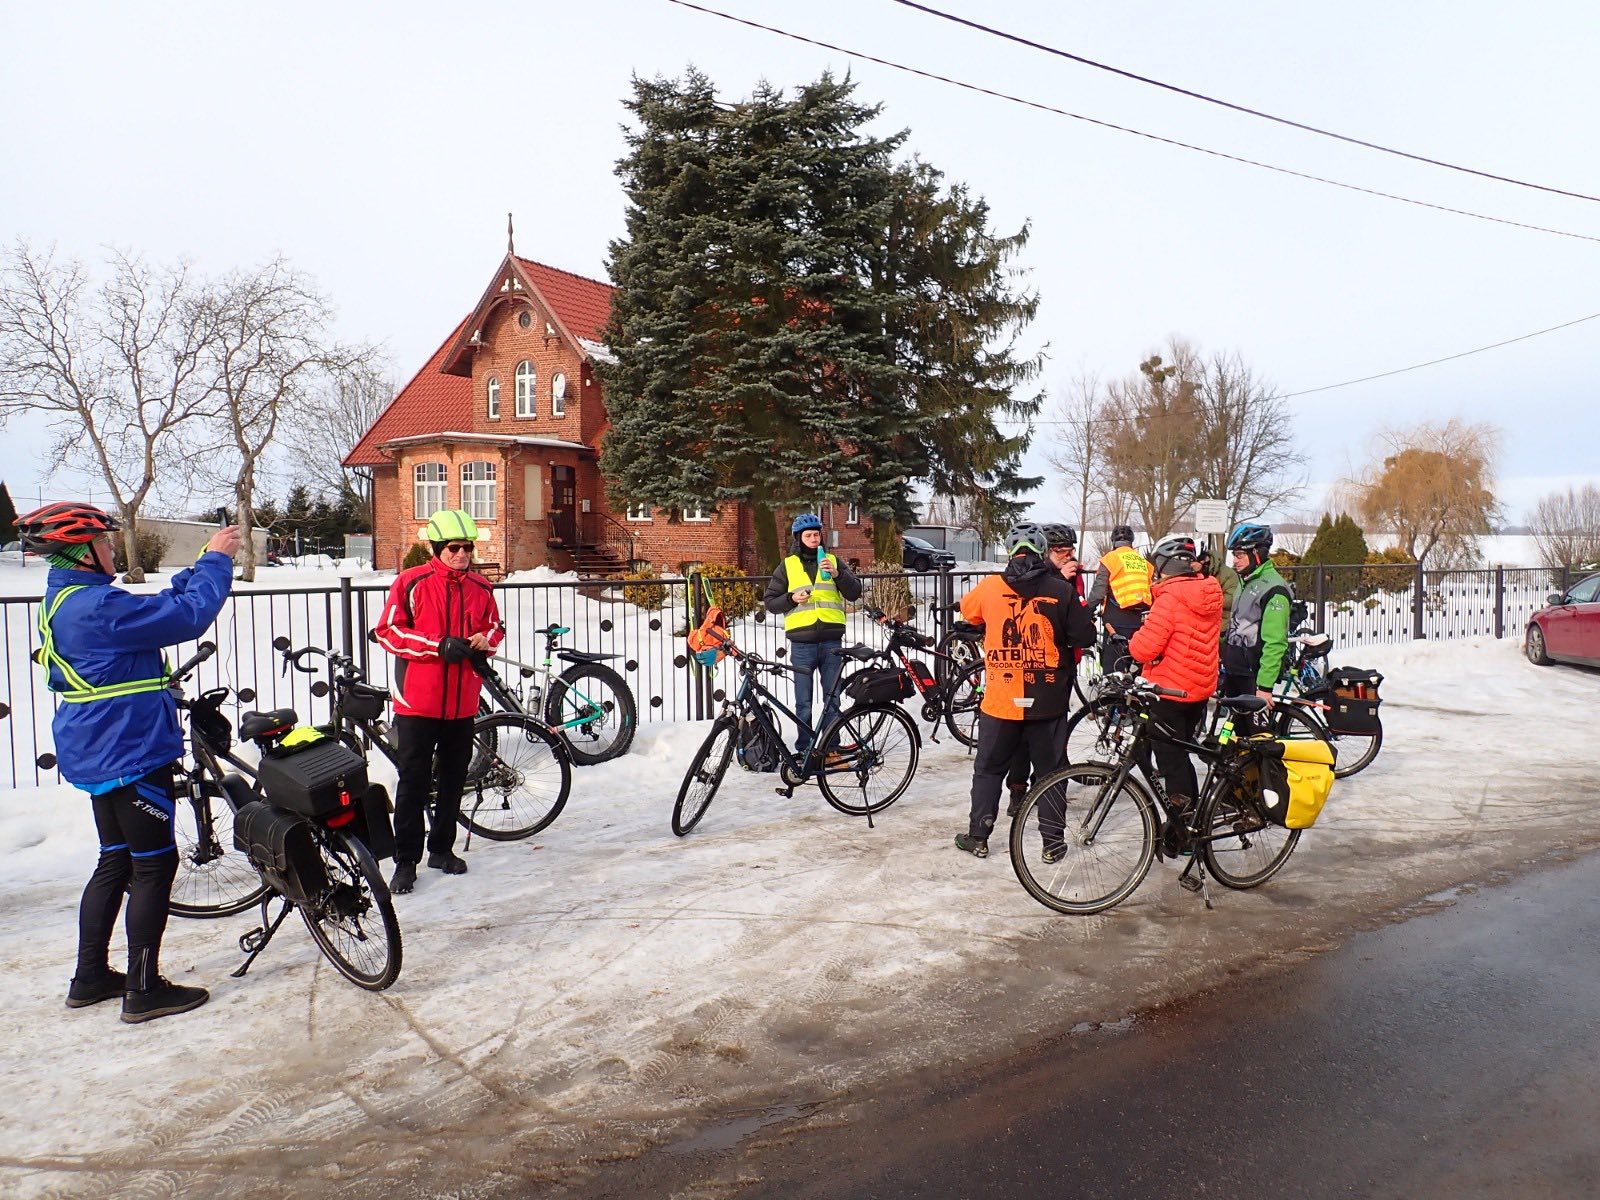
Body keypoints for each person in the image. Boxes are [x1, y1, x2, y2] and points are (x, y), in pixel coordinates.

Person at [21, 501, 239, 1023]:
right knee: (155, 864)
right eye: (103, 542)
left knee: (116, 859)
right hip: (130, 747)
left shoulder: (71, 597)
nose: (111, 548)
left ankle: (90, 977)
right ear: (81, 552)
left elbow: (158, 610)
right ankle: (143, 988)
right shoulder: (97, 607)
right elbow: (188, 616)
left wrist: (197, 565)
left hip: (101, 746)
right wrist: (216, 561)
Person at [373, 509, 504, 894]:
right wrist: (436, 646)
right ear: (437, 548)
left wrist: (485, 640)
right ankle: (406, 860)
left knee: (454, 779)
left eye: (467, 548)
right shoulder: (411, 582)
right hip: (418, 701)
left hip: (462, 702)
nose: (462, 554)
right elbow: (388, 631)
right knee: (413, 781)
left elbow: (495, 626)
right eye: (454, 548)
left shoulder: (481, 587)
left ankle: (442, 850)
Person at [955, 523, 1095, 858]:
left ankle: (978, 836)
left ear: (1009, 551)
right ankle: (1052, 844)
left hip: (1002, 700)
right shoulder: (1060, 589)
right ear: (1042, 551)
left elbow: (967, 612)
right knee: (1051, 772)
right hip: (1047, 698)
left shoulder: (991, 587)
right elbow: (1085, 636)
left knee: (989, 769)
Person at [1128, 535, 1224, 856]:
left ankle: (1185, 831)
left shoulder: (1170, 598)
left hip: (1169, 689)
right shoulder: (1208, 591)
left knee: (1171, 762)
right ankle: (1189, 821)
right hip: (1198, 688)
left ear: (1166, 565)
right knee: (1180, 755)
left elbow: (1145, 648)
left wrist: (1132, 641)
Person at [762, 513, 863, 757]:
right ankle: (806, 750)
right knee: (803, 703)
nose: (814, 539)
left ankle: (832, 749)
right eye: (808, 535)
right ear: (798, 538)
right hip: (802, 644)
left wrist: (838, 575)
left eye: (816, 535)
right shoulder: (788, 566)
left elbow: (854, 592)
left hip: (831, 642)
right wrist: (791, 598)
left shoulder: (832, 561)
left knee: (832, 700)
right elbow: (770, 602)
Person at [1004, 522, 1088, 816]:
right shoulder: (1041, 578)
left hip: (1061, 665)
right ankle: (1019, 790)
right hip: (1034, 666)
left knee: (1048, 737)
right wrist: (1061, 582)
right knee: (1025, 735)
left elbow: (1079, 619)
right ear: (1046, 551)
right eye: (1062, 551)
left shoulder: (1072, 576)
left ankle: (1042, 789)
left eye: (1070, 550)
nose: (1069, 555)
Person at [1220, 522, 1293, 729]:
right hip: (1235, 672)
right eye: (1234, 555)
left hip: (1254, 677)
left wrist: (1265, 687)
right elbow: (1237, 626)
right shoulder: (1245, 582)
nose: (1235, 561)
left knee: (1258, 739)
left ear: (1257, 554)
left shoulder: (1274, 590)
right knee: (1235, 735)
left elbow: (1275, 643)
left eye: (1240, 555)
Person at [1086, 524, 1153, 673]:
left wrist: (1086, 611)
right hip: (1141, 619)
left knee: (1114, 669)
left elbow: (1098, 592)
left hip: (1116, 619)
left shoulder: (1110, 559)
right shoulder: (1143, 562)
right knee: (1137, 665)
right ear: (1131, 542)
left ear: (1113, 541)